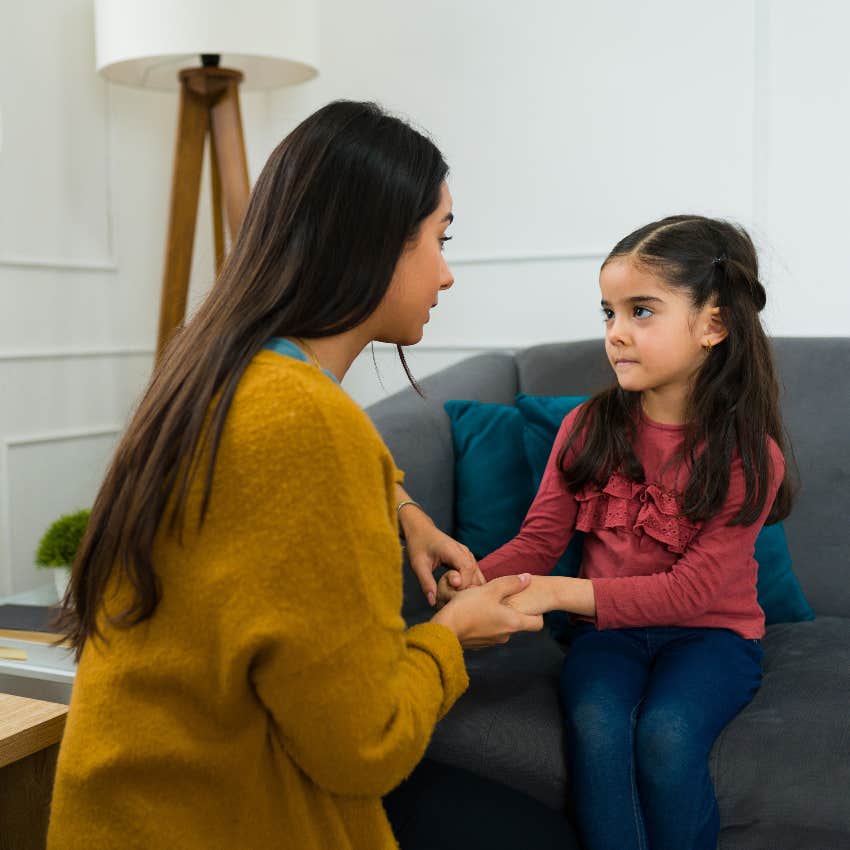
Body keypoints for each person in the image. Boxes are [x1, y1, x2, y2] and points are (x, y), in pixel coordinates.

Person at [46, 100, 578, 850]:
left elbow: (308, 461)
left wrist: (406, 512)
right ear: (375, 245)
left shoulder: (216, 375)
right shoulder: (307, 425)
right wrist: (452, 638)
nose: (448, 273)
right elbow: (366, 748)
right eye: (439, 238)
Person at [439, 215, 794, 850]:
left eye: (642, 312)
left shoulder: (748, 454)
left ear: (713, 324)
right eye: (609, 313)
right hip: (609, 636)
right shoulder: (586, 427)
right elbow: (539, 542)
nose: (616, 334)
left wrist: (555, 594)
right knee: (599, 722)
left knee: (668, 732)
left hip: (711, 635)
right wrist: (476, 576)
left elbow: (689, 593)